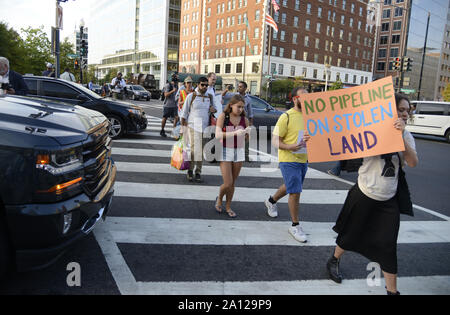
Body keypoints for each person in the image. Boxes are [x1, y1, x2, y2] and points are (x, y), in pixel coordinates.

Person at [326, 93, 419, 295]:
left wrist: (401, 136)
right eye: (400, 109)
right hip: (364, 193)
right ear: (388, 110)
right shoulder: (371, 131)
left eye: (407, 110)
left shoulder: (407, 135)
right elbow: (341, 143)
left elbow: (412, 162)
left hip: (388, 200)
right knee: (350, 234)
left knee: (387, 246)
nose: (404, 113)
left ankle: (392, 291)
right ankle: (334, 259)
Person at [264, 87, 311, 243]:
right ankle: (295, 225)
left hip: (303, 159)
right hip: (288, 159)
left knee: (291, 186)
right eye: (302, 97)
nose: (306, 100)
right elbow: (275, 140)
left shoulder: (311, 117)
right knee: (295, 192)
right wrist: (289, 147)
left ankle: (271, 201)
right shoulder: (286, 117)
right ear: (294, 99)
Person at [214, 94, 250, 218]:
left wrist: (246, 135)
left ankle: (228, 206)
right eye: (238, 107)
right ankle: (219, 198)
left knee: (233, 183)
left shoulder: (244, 120)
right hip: (225, 149)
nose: (241, 109)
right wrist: (235, 133)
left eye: (242, 107)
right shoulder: (224, 116)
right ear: (231, 105)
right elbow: (218, 135)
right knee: (228, 183)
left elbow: (245, 139)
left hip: (238, 150)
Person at [180, 76, 217, 183]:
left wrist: (213, 109)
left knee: (200, 151)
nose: (205, 87)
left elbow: (215, 110)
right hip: (192, 126)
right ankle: (190, 170)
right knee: (193, 150)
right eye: (202, 84)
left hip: (205, 127)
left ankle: (198, 172)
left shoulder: (210, 97)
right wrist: (183, 129)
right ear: (198, 84)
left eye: (206, 85)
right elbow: (184, 113)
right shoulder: (191, 96)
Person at [222, 81, 254, 162]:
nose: (238, 88)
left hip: (243, 119)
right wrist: (227, 89)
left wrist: (250, 121)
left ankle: (246, 156)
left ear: (245, 88)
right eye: (238, 86)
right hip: (234, 118)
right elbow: (223, 96)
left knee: (246, 136)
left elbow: (250, 111)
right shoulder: (234, 95)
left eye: (240, 87)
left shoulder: (248, 99)